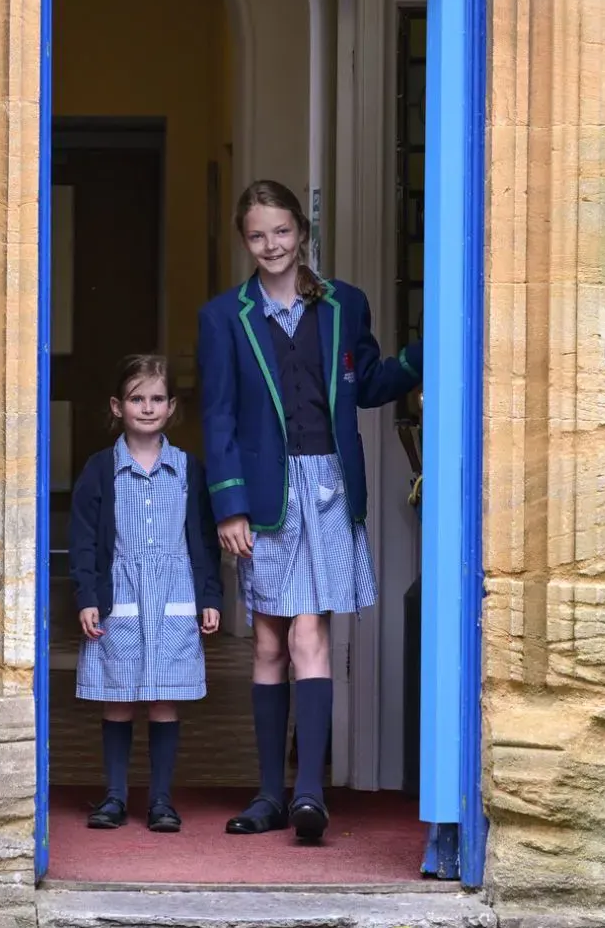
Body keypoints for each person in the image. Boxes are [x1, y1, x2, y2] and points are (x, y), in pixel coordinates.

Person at [197, 180, 420, 843]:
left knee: (309, 635)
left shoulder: (346, 304)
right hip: (262, 496)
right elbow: (218, 416)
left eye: (283, 232)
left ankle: (309, 796)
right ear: (246, 241)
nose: (272, 245)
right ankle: (269, 793)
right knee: (268, 642)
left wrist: (426, 352)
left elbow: (369, 381)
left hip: (327, 487)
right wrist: (229, 506)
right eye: (258, 235)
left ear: (303, 234)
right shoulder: (222, 317)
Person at [68, 353, 224, 834]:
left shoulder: (188, 470)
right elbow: (85, 539)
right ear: (118, 406)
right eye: (137, 399)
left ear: (172, 407)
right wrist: (87, 595)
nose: (148, 407)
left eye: (157, 399)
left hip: (174, 597)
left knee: (163, 699)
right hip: (121, 598)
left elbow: (202, 537)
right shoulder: (99, 470)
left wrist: (209, 596)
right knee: (118, 696)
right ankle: (115, 796)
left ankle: (160, 800)